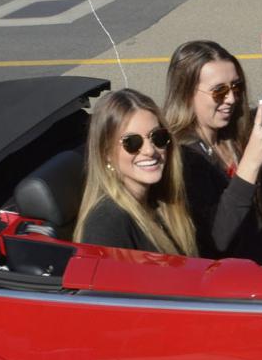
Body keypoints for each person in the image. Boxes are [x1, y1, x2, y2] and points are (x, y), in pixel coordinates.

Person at [163, 9, 262, 259]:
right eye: (219, 91)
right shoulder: (183, 157)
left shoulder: (240, 126)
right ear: (186, 94)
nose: (232, 99)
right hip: (236, 276)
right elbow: (218, 237)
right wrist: (252, 160)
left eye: (236, 86)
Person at [73, 89, 198, 256]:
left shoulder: (161, 203)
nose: (149, 150)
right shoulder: (107, 223)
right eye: (132, 142)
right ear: (106, 153)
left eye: (157, 137)